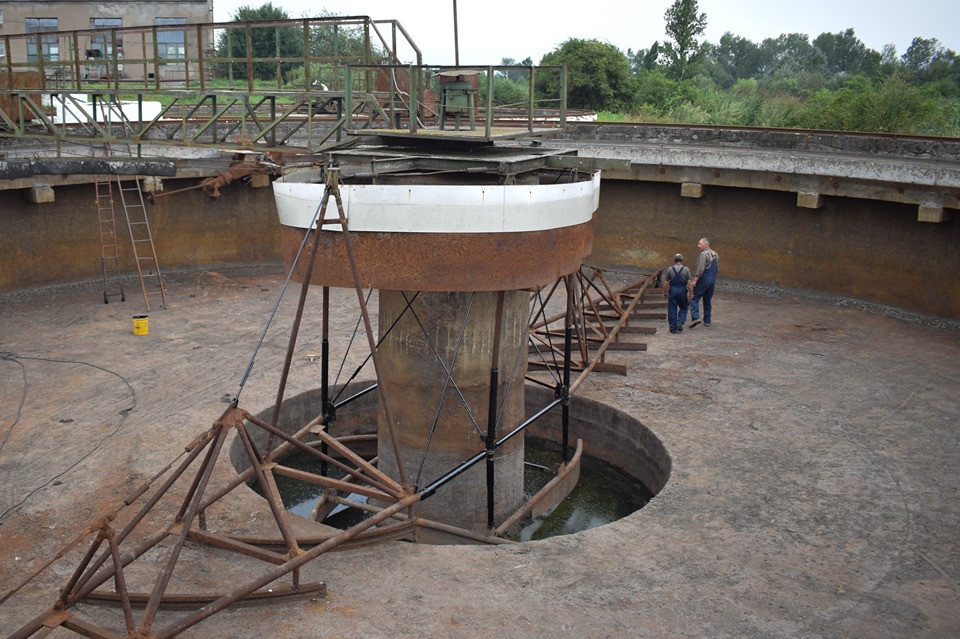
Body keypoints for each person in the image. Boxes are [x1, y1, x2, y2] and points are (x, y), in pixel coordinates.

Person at [689, 237, 719, 327]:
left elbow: (700, 269)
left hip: (704, 278)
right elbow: (717, 269)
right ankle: (707, 320)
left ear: (706, 244)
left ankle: (695, 318)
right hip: (712, 279)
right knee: (707, 300)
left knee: (694, 297)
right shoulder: (715, 254)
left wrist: (695, 280)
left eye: (700, 244)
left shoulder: (704, 254)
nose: (698, 246)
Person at [662, 253, 693, 334]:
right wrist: (691, 293)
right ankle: (679, 322)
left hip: (673, 290)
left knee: (672, 309)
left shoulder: (670, 269)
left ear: (674, 260)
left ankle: (672, 329)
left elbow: (666, 283)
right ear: (682, 260)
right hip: (682, 291)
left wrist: (664, 293)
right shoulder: (686, 269)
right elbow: (689, 283)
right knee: (684, 308)